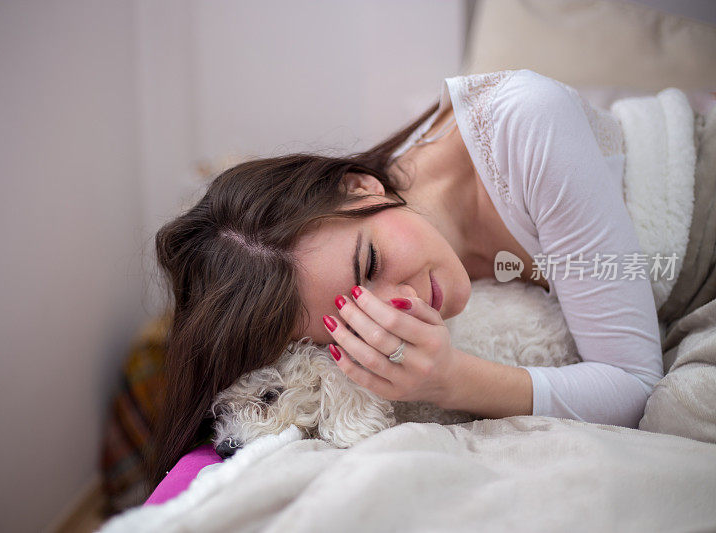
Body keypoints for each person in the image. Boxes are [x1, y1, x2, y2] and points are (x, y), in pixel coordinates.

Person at [147, 69, 668, 490]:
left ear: (360, 188)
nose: (404, 305)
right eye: (356, 319)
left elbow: (636, 384)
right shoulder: (359, 247)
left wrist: (452, 378)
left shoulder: (526, 124)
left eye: (370, 265)